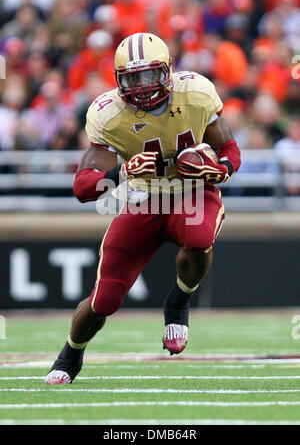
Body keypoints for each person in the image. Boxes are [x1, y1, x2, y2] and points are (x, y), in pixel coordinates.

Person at [45, 32, 241, 384]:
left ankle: (178, 302)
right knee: (103, 299)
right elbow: (83, 185)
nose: (142, 85)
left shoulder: (195, 93)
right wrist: (120, 171)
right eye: (133, 78)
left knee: (198, 239)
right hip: (144, 198)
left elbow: (229, 149)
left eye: (149, 75)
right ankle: (70, 354)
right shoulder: (108, 115)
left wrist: (219, 169)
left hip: (193, 191)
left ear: (167, 71)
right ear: (119, 80)